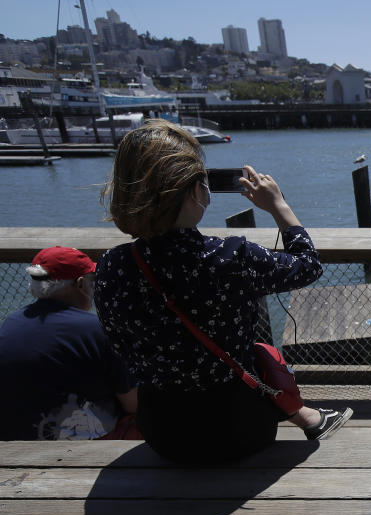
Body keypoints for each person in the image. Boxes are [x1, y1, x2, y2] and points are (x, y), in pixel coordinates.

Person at [94, 119, 351, 464]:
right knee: (256, 352)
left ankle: (308, 416)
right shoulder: (229, 257)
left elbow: (119, 346)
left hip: (163, 432)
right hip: (238, 429)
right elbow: (307, 265)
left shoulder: (113, 265)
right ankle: (305, 416)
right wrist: (278, 205)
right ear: (192, 191)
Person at [0, 246, 138, 440]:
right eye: (92, 280)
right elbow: (133, 403)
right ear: (81, 284)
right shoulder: (97, 329)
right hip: (77, 443)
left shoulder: (10, 323)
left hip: (15, 439)